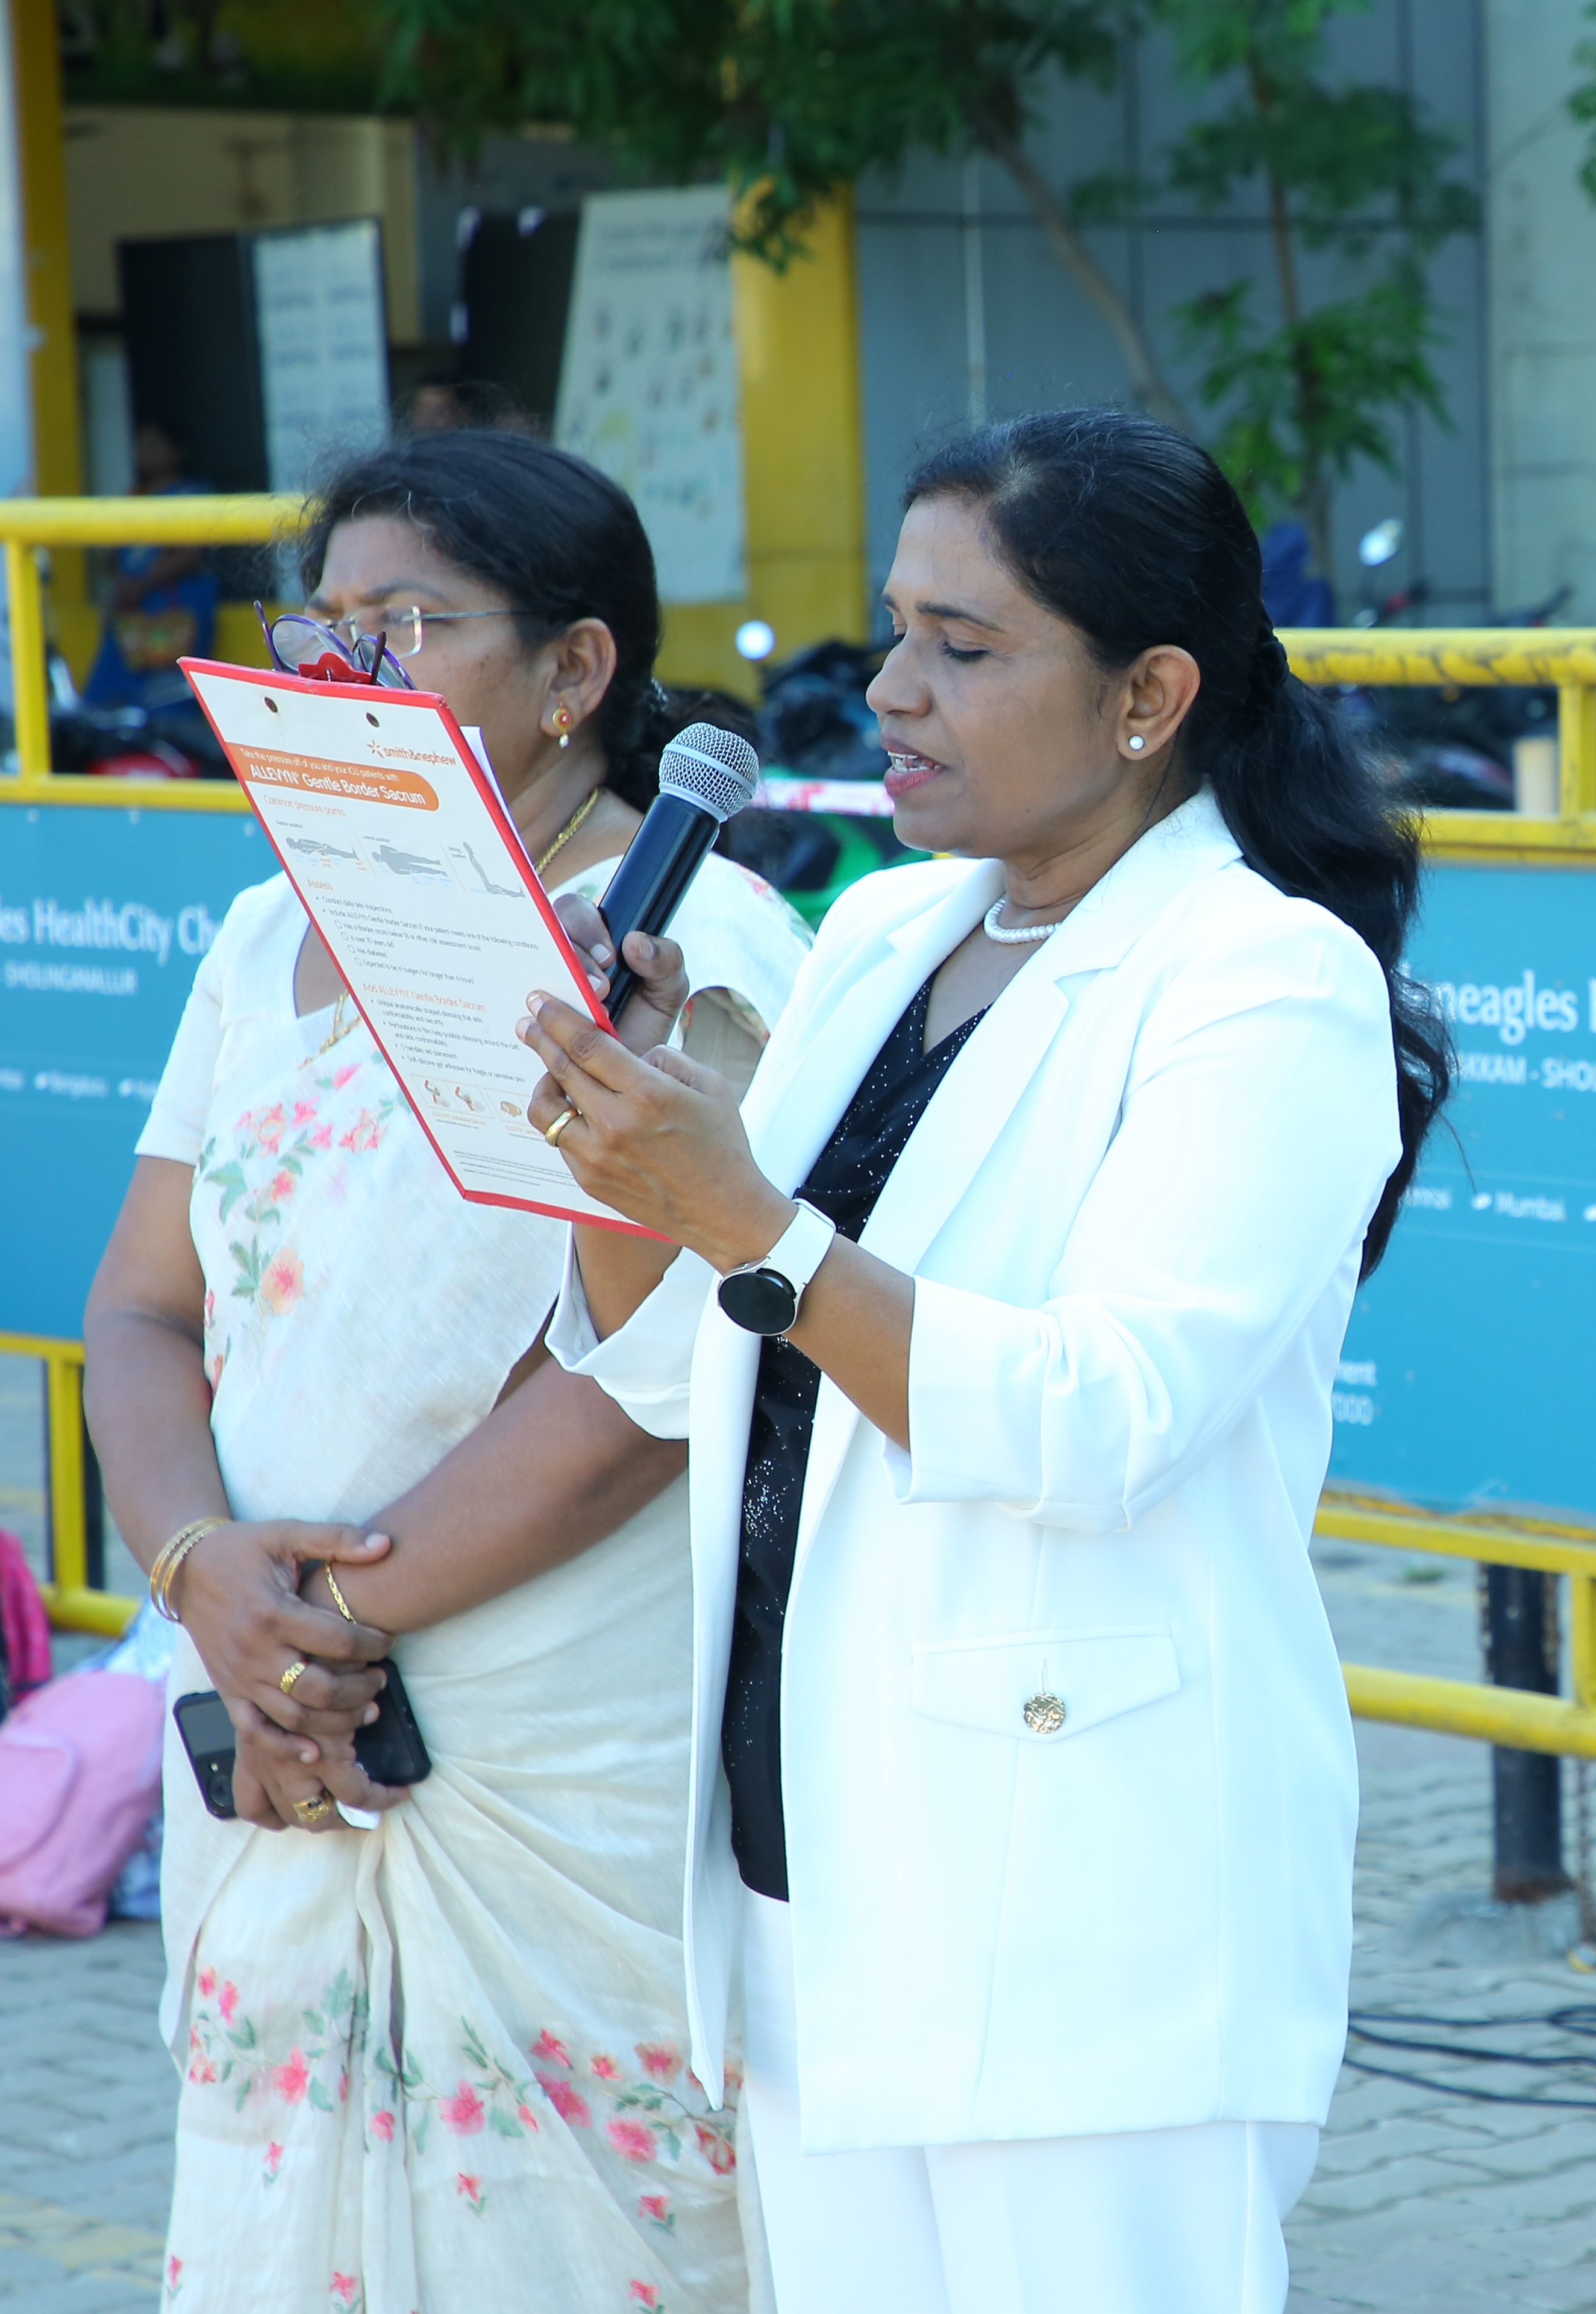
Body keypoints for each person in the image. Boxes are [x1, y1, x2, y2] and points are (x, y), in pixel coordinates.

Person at [512, 407, 1448, 2314]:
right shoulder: (882, 928)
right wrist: (632, 1143)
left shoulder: (1260, 979)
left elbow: (1102, 1420)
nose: (893, 689)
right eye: (892, 630)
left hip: (1078, 1890)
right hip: (809, 1858)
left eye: (967, 642)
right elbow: (706, 1372)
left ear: (1149, 695)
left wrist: (750, 1215)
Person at [81, 428, 809, 2312]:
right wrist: (199, 1578)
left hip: (542, 1728)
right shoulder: (264, 937)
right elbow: (146, 1313)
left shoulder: (688, 950)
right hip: (270, 1701)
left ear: (577, 672)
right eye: (323, 628)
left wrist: (317, 1615)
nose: (351, 676)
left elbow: (655, 1374)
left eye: (409, 625)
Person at [81, 420, 217, 714]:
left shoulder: (191, 494)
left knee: (166, 698)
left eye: (155, 446)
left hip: (173, 607)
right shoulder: (134, 497)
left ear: (176, 452)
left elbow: (190, 555)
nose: (145, 454)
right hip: (131, 610)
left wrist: (142, 584)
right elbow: (113, 557)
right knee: (107, 701)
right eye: (141, 446)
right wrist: (123, 586)